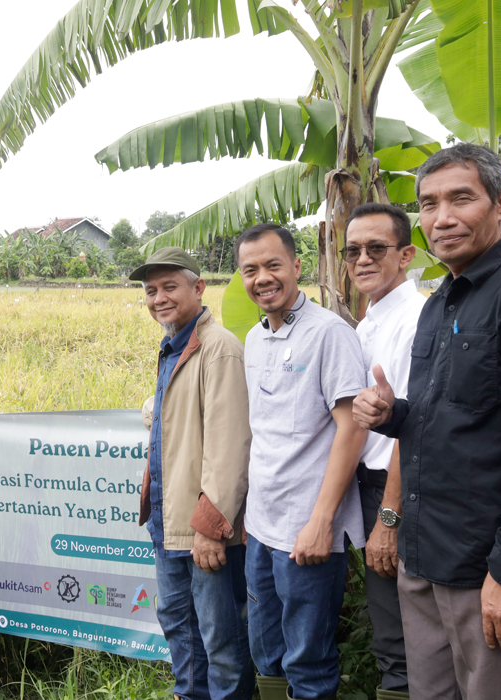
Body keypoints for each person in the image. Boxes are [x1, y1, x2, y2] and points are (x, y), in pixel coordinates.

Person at [352, 143, 501, 700]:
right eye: (429, 204)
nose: (443, 218)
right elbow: (448, 416)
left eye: (461, 198)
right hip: (424, 552)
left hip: (486, 565)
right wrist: (392, 414)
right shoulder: (442, 302)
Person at [236, 223, 368, 700]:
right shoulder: (254, 339)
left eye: (273, 265)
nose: (262, 278)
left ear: (296, 266)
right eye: (250, 269)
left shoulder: (329, 333)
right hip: (262, 526)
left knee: (308, 661)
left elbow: (352, 429)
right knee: (266, 651)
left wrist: (321, 521)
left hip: (307, 530)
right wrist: (251, 514)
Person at [131, 248, 254, 700]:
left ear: (199, 289)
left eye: (169, 288)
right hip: (170, 523)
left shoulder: (218, 348)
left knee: (220, 639)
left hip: (203, 527)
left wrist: (210, 527)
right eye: (150, 291)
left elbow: (229, 446)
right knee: (180, 630)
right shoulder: (173, 346)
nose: (158, 299)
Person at [343, 204, 424, 700]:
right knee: (390, 629)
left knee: (402, 636)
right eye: (353, 250)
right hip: (372, 486)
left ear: (407, 255)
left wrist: (387, 520)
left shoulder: (414, 321)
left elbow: (409, 431)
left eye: (377, 248)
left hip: (396, 489)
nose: (363, 259)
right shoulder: (368, 322)